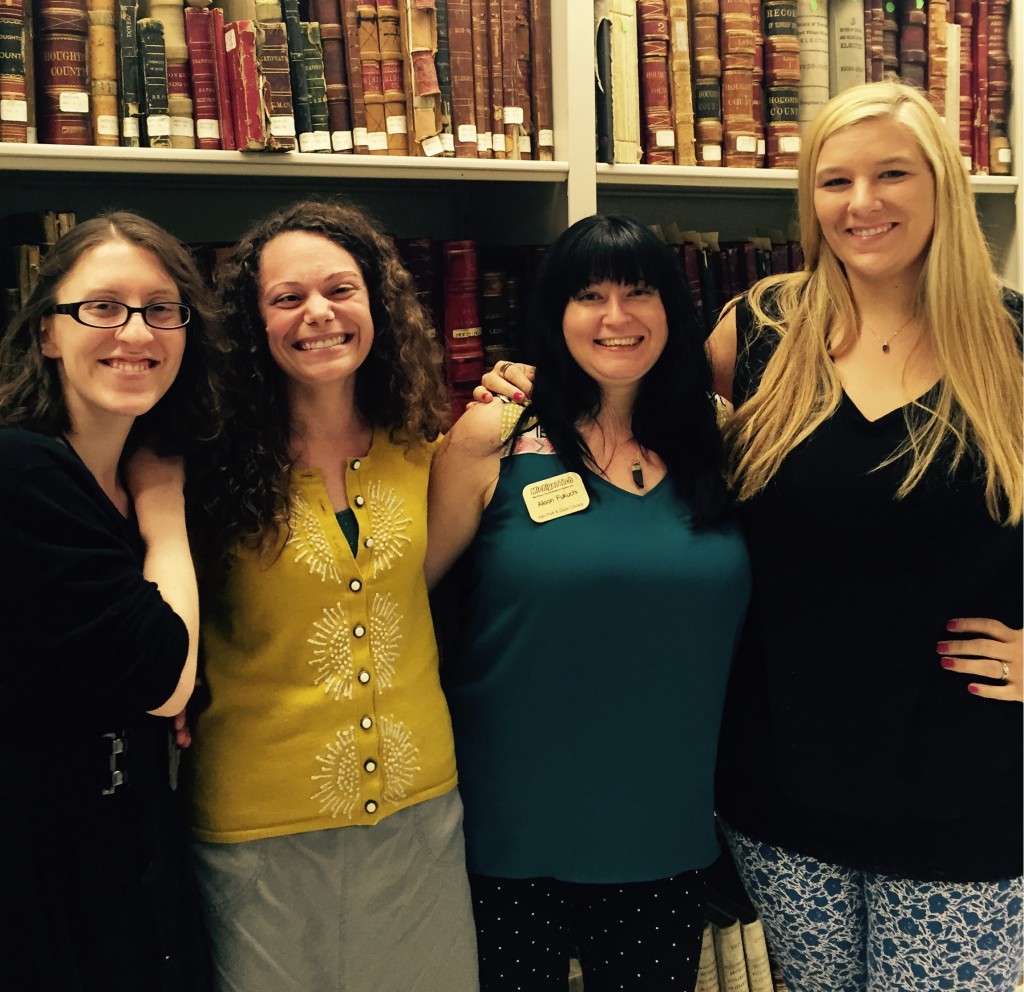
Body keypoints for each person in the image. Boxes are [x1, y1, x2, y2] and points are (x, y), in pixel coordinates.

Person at [482, 80, 1023, 991]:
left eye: (892, 173)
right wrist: (525, 388)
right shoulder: (766, 328)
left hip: (963, 791)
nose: (863, 204)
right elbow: (634, 403)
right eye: (833, 180)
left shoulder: (1011, 342)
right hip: (780, 789)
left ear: (944, 183)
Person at [426, 214, 751, 991]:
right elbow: (406, 607)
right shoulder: (493, 435)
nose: (616, 317)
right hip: (508, 830)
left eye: (639, 292)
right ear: (553, 313)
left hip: (665, 828)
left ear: (673, 309)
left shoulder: (723, 437)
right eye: (589, 295)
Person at [182, 198, 479, 992]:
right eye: (287, 298)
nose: (318, 314)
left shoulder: (424, 447)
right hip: (258, 827)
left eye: (341, 290)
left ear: (377, 304)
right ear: (253, 322)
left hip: (421, 812)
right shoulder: (202, 466)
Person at [0, 211, 223, 990]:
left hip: (133, 846)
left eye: (161, 308)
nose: (136, 332)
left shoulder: (132, 474)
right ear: (47, 333)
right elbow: (163, 677)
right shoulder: (21, 472)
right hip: (37, 874)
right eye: (102, 307)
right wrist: (163, 507)